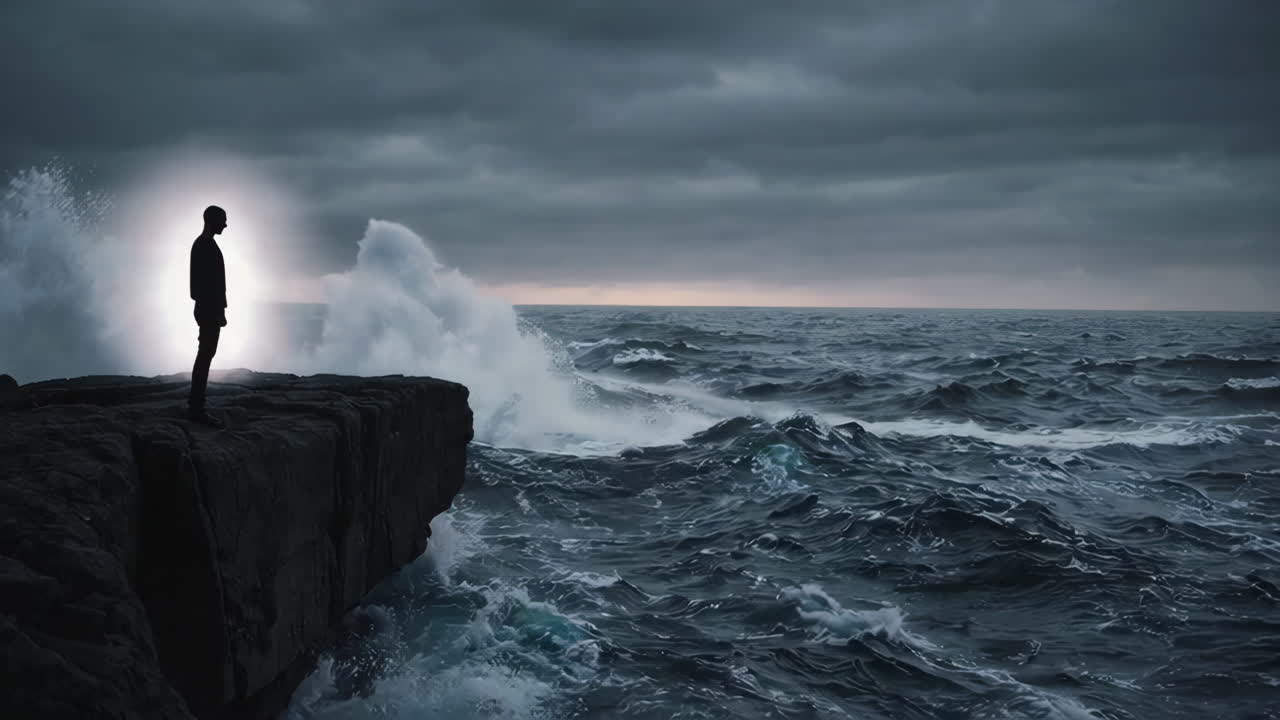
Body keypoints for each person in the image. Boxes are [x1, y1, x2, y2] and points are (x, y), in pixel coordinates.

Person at [188, 205, 228, 426]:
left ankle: (197, 405)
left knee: (205, 355)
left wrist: (220, 309)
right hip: (208, 310)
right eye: (222, 220)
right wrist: (215, 310)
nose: (225, 224)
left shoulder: (205, 244)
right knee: (205, 356)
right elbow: (201, 286)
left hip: (210, 309)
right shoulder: (204, 245)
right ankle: (196, 407)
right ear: (212, 220)